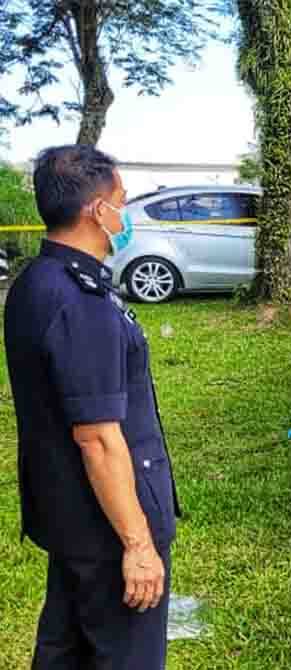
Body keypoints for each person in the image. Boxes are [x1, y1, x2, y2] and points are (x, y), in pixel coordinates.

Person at [4, 145, 180, 669]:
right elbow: (98, 437)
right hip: (106, 527)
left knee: (65, 651)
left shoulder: (34, 283)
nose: (125, 215)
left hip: (67, 516)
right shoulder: (78, 300)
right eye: (121, 202)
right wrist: (138, 545)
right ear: (96, 211)